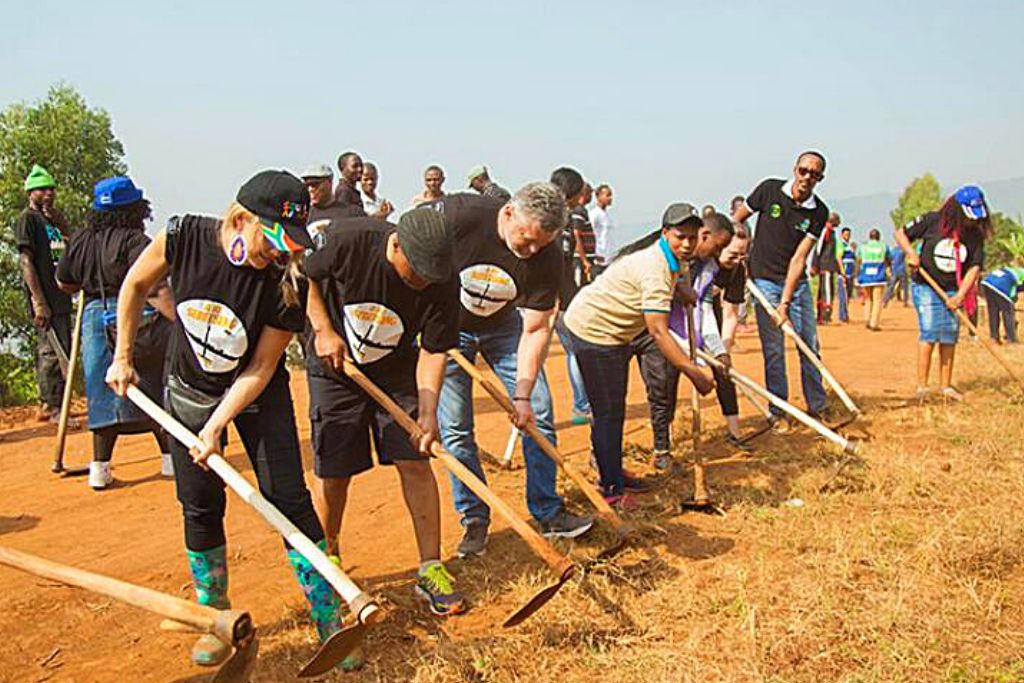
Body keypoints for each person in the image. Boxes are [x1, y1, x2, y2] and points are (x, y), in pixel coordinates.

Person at [105, 170, 345, 669]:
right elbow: (135, 286)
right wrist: (122, 355)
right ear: (240, 218)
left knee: (289, 499)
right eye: (271, 240)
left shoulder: (287, 283)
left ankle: (329, 619)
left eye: (288, 245)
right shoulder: (182, 236)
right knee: (198, 503)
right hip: (188, 391)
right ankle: (212, 617)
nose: (278, 253)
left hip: (257, 399)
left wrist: (217, 427)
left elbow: (260, 367)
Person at [302, 209, 465, 629]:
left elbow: (433, 349)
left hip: (396, 369)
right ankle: (328, 558)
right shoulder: (347, 241)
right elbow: (305, 278)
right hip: (334, 365)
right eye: (417, 273)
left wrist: (427, 412)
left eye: (432, 276)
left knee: (415, 459)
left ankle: (430, 567)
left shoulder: (443, 277)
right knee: (334, 469)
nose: (424, 283)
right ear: (395, 245)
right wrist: (323, 329)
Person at [431, 183, 594, 558]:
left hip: (504, 328)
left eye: (542, 243)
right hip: (447, 331)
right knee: (456, 429)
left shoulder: (548, 256)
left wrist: (521, 395)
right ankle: (474, 519)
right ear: (507, 214)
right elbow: (410, 246)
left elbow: (536, 329)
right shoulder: (459, 216)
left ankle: (548, 512)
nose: (532, 251)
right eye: (526, 239)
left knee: (537, 411)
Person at [564, 203, 714, 508]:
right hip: (593, 332)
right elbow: (658, 331)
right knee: (608, 413)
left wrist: (681, 290)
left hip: (615, 333)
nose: (686, 244)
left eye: (691, 237)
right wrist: (692, 370)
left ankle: (612, 471)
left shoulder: (674, 260)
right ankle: (611, 490)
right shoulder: (655, 267)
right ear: (664, 234)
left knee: (614, 409)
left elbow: (675, 279)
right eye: (679, 237)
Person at [56, 177, 174, 489]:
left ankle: (100, 469)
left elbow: (64, 282)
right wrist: (179, 320)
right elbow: (155, 288)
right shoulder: (136, 242)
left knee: (102, 394)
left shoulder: (80, 240)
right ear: (135, 208)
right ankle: (169, 461)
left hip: (95, 316)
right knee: (154, 387)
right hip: (140, 317)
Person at [732, 151, 831, 424]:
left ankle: (817, 404)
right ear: (795, 169)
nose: (807, 177)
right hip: (763, 280)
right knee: (774, 349)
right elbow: (738, 219)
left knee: (808, 344)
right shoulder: (769, 190)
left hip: (795, 285)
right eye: (803, 170)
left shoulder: (818, 212)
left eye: (814, 174)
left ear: (820, 178)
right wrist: (740, 251)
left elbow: (800, 258)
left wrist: (785, 302)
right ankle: (779, 410)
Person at [638, 213, 738, 470]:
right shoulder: (663, 257)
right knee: (658, 386)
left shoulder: (706, 268)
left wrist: (718, 351)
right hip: (642, 325)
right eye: (718, 245)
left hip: (673, 332)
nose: (720, 252)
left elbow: (702, 309)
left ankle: (663, 449)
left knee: (665, 386)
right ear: (705, 236)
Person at [894, 185, 991, 402]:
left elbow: (974, 268)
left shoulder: (975, 235)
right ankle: (922, 388)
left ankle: (946, 386)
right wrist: (910, 253)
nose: (972, 222)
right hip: (926, 286)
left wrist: (960, 295)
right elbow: (901, 233)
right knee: (930, 331)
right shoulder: (931, 221)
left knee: (949, 335)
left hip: (953, 289)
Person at [13, 165, 73, 422]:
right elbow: (26, 262)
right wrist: (38, 302)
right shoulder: (27, 220)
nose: (49, 193)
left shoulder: (51, 220)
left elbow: (72, 244)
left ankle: (60, 402)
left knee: (65, 349)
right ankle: (50, 405)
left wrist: (59, 220)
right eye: (42, 190)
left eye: (51, 189)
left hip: (61, 297)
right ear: (30, 192)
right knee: (52, 351)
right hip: (45, 297)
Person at [550, 168, 593, 424]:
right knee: (575, 350)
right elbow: (555, 260)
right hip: (554, 300)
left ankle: (581, 406)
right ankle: (581, 405)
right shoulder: (558, 219)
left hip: (553, 298)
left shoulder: (555, 216)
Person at [981, 265, 1024, 343]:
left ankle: (994, 337)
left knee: (993, 312)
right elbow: (1013, 293)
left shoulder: (1014, 270)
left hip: (986, 283)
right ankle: (1011, 338)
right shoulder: (1021, 275)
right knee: (1008, 312)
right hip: (1000, 285)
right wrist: (1012, 300)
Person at [856, 228, 889, 331]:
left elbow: (858, 260)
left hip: (865, 275)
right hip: (879, 275)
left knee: (868, 299)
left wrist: (857, 275)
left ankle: (867, 319)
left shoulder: (862, 247)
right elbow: (888, 259)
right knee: (877, 300)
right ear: (879, 237)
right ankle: (874, 323)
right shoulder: (884, 247)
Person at [812, 212, 842, 324]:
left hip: (829, 265)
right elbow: (818, 248)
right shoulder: (826, 231)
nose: (839, 222)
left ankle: (822, 315)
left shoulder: (831, 232)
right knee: (827, 290)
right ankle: (824, 314)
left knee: (825, 289)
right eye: (837, 220)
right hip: (825, 266)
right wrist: (815, 264)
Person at [589, 184, 615, 275]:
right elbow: (589, 232)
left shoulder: (605, 215)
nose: (610, 198)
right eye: (607, 195)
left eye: (611, 195)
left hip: (608, 257)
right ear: (598, 197)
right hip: (599, 257)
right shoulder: (594, 214)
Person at [836, 227, 856, 322]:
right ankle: (842, 315)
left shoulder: (850, 246)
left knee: (848, 295)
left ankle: (845, 314)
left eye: (849, 234)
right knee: (843, 295)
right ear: (842, 235)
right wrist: (842, 271)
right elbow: (839, 258)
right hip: (844, 274)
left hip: (850, 274)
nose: (848, 236)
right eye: (846, 234)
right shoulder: (840, 245)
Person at [884, 243, 909, 307]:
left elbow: (888, 259)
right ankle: (905, 302)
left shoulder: (892, 251)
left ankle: (885, 301)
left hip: (894, 270)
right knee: (905, 287)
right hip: (902, 270)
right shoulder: (903, 250)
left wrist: (889, 268)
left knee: (891, 286)